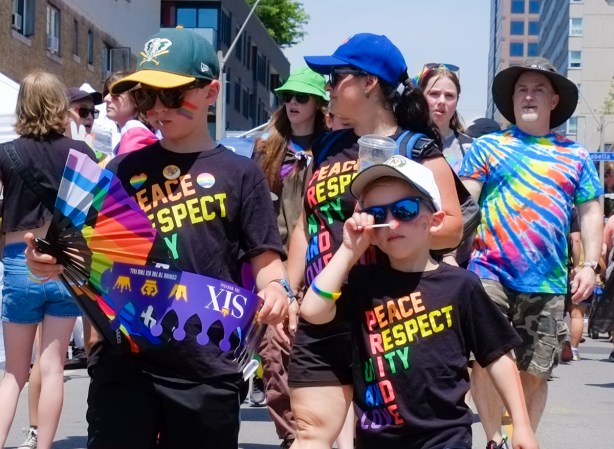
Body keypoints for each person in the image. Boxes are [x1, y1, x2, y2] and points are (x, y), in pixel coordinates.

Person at [25, 27, 290, 449]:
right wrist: (46, 264)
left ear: (211, 91)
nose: (156, 109)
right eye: (146, 97)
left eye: (171, 95)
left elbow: (266, 260)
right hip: (125, 361)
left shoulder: (242, 174)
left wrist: (276, 288)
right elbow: (83, 256)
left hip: (207, 362)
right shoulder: (120, 169)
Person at [285, 33, 464, 449]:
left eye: (335, 77)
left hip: (385, 311)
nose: (327, 87)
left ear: (369, 83)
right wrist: (287, 288)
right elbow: (304, 226)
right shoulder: (328, 143)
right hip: (323, 305)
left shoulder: (417, 148)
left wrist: (386, 231)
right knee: (310, 431)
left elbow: (452, 225)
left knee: (380, 438)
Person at [299, 155, 538, 449]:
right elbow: (312, 310)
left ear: (434, 220)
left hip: (444, 437)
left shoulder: (461, 285)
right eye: (377, 215)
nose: (392, 222)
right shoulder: (362, 282)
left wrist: (522, 425)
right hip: (378, 439)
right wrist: (348, 251)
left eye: (405, 209)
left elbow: (498, 356)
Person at [459, 57, 604, 448]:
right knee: (485, 362)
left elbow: (591, 211)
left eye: (538, 89)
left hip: (549, 278)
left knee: (536, 370)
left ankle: (522, 436)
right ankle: (493, 440)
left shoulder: (576, 156)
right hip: (488, 272)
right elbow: (463, 206)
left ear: (554, 100)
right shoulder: (487, 147)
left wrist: (590, 265)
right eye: (522, 89)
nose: (528, 95)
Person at [0, 70, 98, 449]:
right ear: (62, 106)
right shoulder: (83, 153)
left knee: (14, 373)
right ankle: (44, 446)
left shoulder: (6, 153)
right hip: (65, 263)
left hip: (18, 260)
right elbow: (91, 215)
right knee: (53, 365)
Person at [251, 66, 328, 447]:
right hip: (275, 262)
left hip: (323, 263)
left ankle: (319, 434)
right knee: (274, 352)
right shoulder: (268, 145)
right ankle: (291, 436)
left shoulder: (333, 147)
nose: (293, 104)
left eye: (302, 97)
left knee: (316, 354)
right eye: (288, 97)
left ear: (320, 103)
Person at [417, 63, 474, 266]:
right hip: (412, 255)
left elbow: (471, 208)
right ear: (421, 96)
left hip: (459, 261)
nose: (442, 101)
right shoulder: (405, 142)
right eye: (434, 94)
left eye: (449, 96)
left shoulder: (471, 148)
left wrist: (452, 254)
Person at [102, 71, 158, 156]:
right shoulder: (131, 135)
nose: (106, 98)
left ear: (136, 99)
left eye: (116, 94)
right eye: (106, 93)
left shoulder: (137, 139)